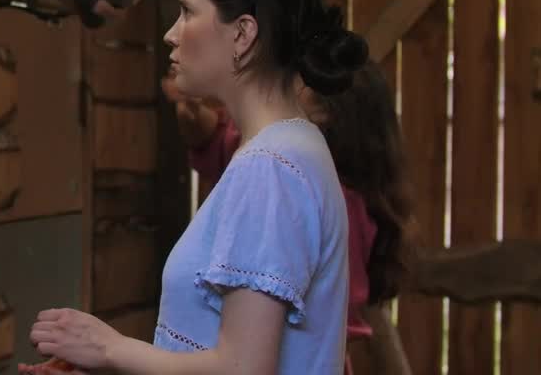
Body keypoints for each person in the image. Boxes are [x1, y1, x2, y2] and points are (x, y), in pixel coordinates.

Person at [24, 0, 368, 374]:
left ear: (243, 34)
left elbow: (244, 369)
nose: (171, 33)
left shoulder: (271, 168)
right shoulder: (294, 148)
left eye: (188, 13)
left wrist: (109, 348)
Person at [164, 55, 414, 374]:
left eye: (292, 86)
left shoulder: (327, 201)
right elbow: (232, 145)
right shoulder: (293, 167)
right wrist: (200, 122)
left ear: (326, 114)